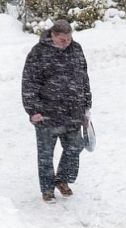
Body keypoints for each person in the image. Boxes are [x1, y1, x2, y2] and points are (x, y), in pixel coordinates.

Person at [21, 19, 92, 204]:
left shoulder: (76, 49)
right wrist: (32, 110)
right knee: (45, 155)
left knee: (76, 146)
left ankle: (62, 179)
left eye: (69, 39)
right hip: (47, 112)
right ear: (52, 35)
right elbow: (29, 83)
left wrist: (86, 105)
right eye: (62, 40)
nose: (67, 43)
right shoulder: (38, 53)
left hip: (73, 111)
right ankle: (47, 190)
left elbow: (84, 78)